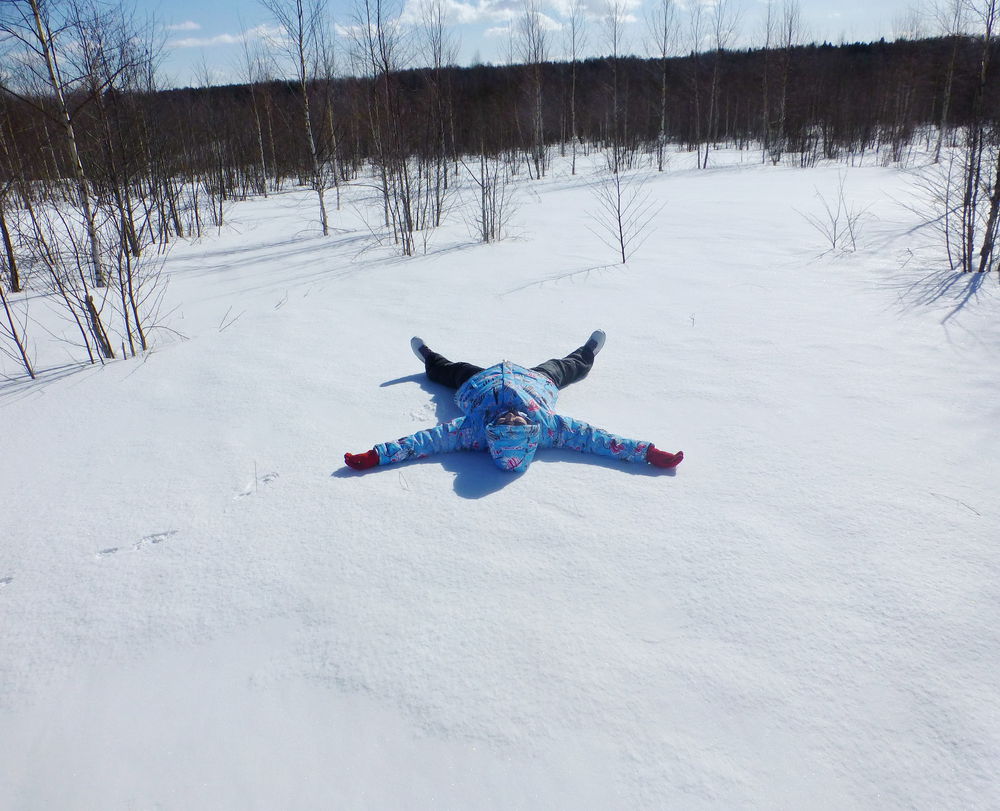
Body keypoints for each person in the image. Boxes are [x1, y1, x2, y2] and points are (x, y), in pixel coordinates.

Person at [344, 331, 684, 474]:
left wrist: (375, 456)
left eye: (502, 424)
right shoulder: (551, 429)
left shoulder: (473, 430)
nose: (509, 417)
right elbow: (600, 441)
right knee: (568, 367)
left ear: (490, 431)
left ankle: (427, 356)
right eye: (515, 424)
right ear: (530, 430)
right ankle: (589, 351)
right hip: (538, 382)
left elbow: (425, 442)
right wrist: (649, 453)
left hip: (478, 383)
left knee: (446, 372)